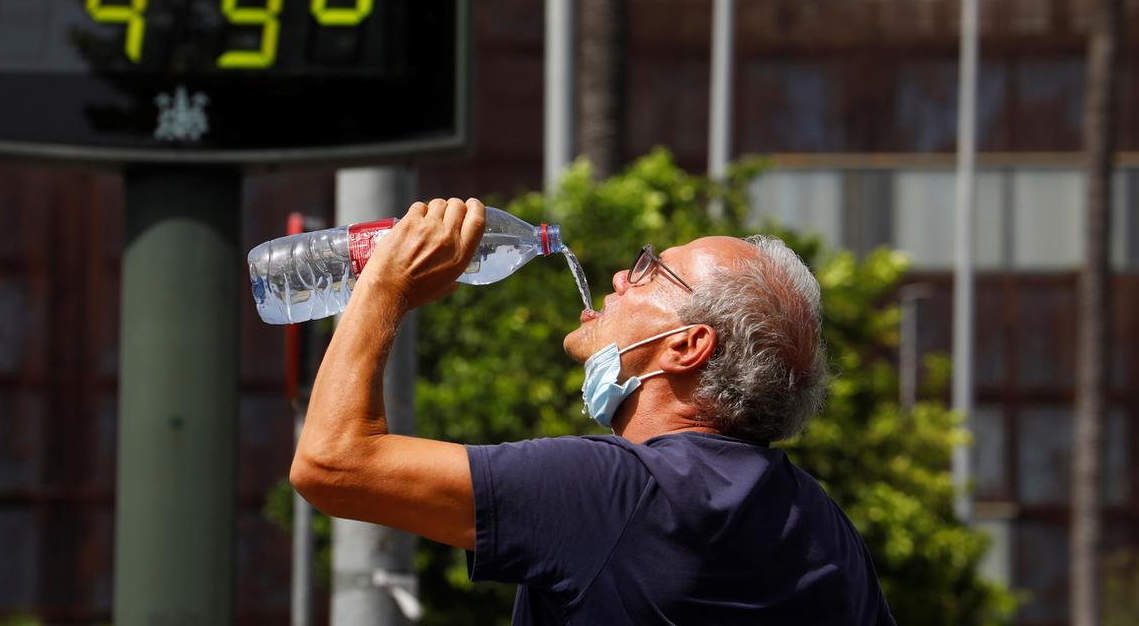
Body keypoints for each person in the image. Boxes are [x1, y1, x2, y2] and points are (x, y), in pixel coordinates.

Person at [290, 197, 896, 625]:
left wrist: (385, 284)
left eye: (652, 271)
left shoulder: (614, 493)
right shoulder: (824, 527)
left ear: (688, 345)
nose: (620, 277)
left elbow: (332, 463)